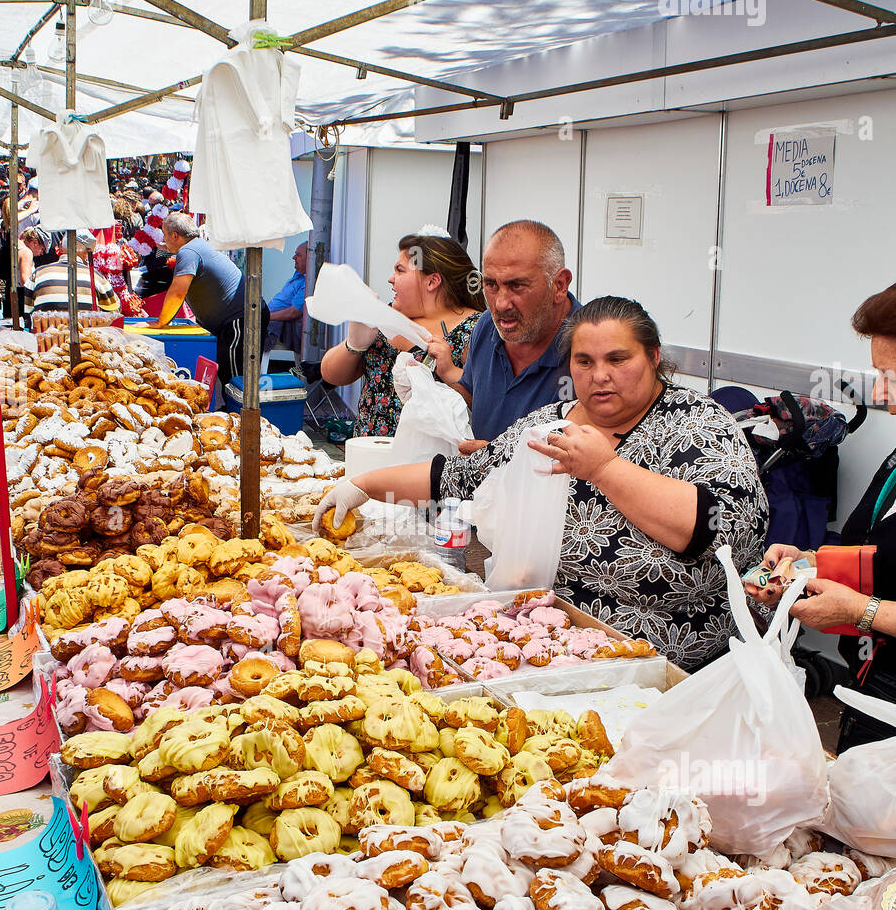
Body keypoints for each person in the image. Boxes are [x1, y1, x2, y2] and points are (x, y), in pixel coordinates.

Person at [316, 295, 768, 670]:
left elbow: (722, 531)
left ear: (652, 357)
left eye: (618, 359)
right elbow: (457, 475)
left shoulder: (698, 425)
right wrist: (363, 484)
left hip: (663, 660)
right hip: (549, 642)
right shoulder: (551, 423)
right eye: (584, 361)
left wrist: (605, 469)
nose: (600, 376)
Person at [746, 283, 896, 749]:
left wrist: (860, 611)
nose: (882, 393)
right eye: (879, 374)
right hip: (875, 691)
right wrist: (807, 565)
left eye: (894, 375)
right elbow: (878, 554)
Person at [320, 230, 485, 437]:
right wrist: (354, 345)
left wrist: (449, 371)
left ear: (432, 282)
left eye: (400, 270)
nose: (390, 279)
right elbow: (331, 375)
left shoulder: (475, 328)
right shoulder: (387, 316)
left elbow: (486, 399)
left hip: (426, 463)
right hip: (371, 455)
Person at [437, 219, 580, 446]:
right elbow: (480, 401)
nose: (501, 304)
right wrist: (431, 394)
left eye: (517, 286)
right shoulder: (486, 327)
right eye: (491, 285)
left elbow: (600, 455)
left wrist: (498, 460)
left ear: (560, 285)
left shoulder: (589, 346)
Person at [154, 211, 269, 393]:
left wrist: (160, 323)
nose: (164, 241)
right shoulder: (196, 246)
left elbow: (177, 293)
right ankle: (233, 412)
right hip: (236, 316)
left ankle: (239, 416)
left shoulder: (189, 251)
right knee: (228, 371)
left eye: (165, 235)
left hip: (240, 316)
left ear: (175, 235)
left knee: (235, 378)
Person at [31, 231, 119, 315]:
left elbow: (27, 309)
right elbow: (115, 309)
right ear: (87, 252)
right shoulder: (96, 277)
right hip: (84, 329)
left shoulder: (38, 273)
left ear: (61, 247)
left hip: (44, 329)